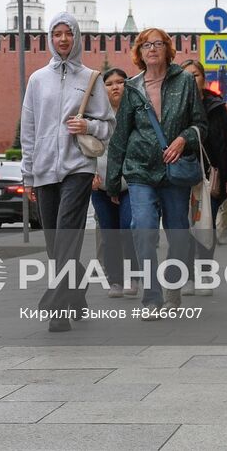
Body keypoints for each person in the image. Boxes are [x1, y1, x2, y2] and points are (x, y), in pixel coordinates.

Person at [21, 12, 114, 332]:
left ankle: (57, 307)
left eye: (68, 33)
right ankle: (76, 291)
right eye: (57, 33)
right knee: (54, 243)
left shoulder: (91, 77)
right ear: (50, 38)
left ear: (77, 37)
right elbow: (29, 128)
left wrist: (87, 124)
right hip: (45, 167)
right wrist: (28, 172)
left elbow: (108, 125)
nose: (63, 39)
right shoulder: (37, 80)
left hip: (78, 166)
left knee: (67, 233)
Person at [105, 28, 206, 314]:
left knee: (178, 233)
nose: (152, 49)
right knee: (145, 230)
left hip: (175, 172)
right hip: (140, 171)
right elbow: (120, 135)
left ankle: (172, 285)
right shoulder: (132, 87)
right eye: (146, 45)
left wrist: (183, 138)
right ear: (139, 52)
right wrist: (114, 183)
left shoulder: (185, 82)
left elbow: (201, 125)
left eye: (158, 44)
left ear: (167, 49)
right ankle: (151, 296)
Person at [179, 59, 227, 297]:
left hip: (209, 177)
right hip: (181, 176)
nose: (191, 80)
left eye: (196, 75)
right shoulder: (174, 107)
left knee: (205, 225)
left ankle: (204, 275)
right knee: (183, 227)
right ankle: (188, 276)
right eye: (186, 76)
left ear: (204, 78)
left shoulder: (216, 107)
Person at [93, 68, 136, 299]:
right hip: (99, 186)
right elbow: (85, 149)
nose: (116, 86)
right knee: (108, 234)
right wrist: (90, 174)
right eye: (109, 83)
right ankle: (115, 280)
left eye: (121, 82)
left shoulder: (135, 114)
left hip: (129, 185)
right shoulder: (95, 117)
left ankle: (133, 276)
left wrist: (120, 182)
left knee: (129, 228)